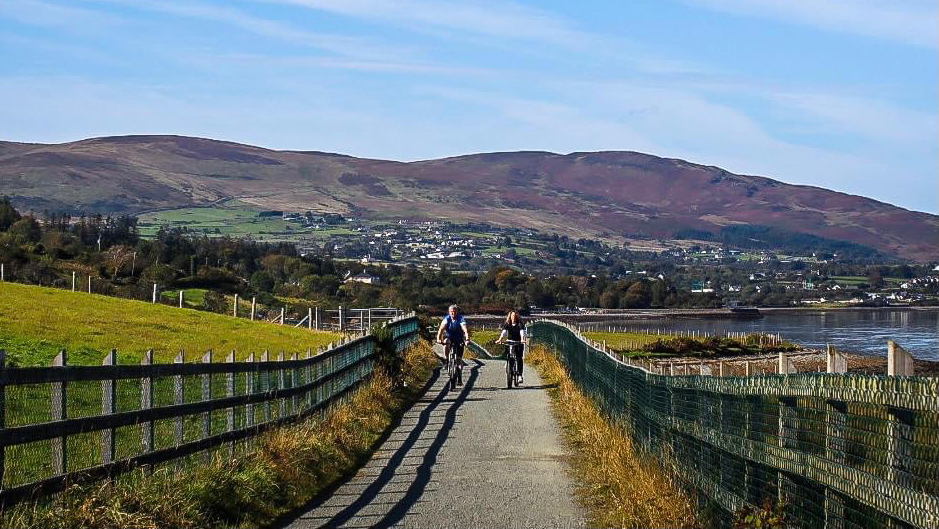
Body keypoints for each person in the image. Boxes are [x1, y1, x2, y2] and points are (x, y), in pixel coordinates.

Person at [436, 304, 470, 384]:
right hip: (450, 338)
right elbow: (441, 330)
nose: (453, 313)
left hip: (459, 339)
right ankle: (446, 360)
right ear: (449, 312)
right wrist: (438, 339)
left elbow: (465, 330)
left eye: (454, 312)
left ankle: (459, 376)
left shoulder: (461, 319)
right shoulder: (446, 319)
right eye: (451, 312)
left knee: (459, 359)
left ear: (457, 312)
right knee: (446, 342)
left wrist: (467, 339)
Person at [496, 309, 526, 384]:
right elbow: (504, 332)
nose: (514, 317)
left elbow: (522, 332)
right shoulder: (507, 324)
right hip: (510, 341)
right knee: (508, 353)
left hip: (518, 342)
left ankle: (519, 375)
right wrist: (500, 339)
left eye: (515, 316)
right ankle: (508, 363)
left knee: (519, 358)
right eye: (512, 316)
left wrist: (522, 339)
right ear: (510, 316)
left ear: (517, 317)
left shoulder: (520, 324)